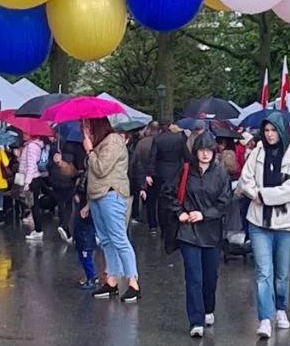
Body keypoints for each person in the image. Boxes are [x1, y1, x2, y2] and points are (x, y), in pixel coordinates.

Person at [238, 112, 290, 340]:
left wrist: (263, 195)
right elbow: (245, 178)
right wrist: (253, 193)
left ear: (282, 130)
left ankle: (281, 308)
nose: (270, 134)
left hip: (285, 223)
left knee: (282, 272)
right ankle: (265, 318)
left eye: (274, 130)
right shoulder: (257, 151)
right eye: (266, 130)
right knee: (263, 271)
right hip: (259, 220)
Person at [165, 133, 231, 338]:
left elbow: (225, 203)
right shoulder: (184, 171)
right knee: (193, 276)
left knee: (210, 277)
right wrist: (180, 212)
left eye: (208, 151)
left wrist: (204, 214)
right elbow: (168, 193)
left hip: (211, 231)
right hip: (188, 232)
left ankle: (208, 308)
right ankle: (196, 320)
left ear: (214, 153)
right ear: (195, 152)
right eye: (201, 150)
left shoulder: (221, 175)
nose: (205, 154)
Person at [85, 117, 140, 301]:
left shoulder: (114, 141)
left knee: (119, 239)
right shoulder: (101, 142)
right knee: (106, 240)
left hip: (111, 194)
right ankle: (112, 280)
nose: (85, 130)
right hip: (97, 196)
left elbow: (101, 168)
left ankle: (133, 282)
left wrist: (90, 151)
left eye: (87, 125)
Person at [146, 119, 188, 236]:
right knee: (176, 197)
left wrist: (150, 173)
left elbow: (152, 157)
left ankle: (163, 227)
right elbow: (186, 156)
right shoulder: (180, 138)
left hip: (161, 172)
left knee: (162, 200)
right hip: (176, 171)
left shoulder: (158, 139)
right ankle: (174, 221)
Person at [46, 152, 79, 242]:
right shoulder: (69, 155)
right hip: (67, 185)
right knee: (68, 207)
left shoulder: (53, 157)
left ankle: (64, 227)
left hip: (58, 184)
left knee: (62, 206)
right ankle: (64, 227)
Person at [19, 134, 46, 240]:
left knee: (34, 205)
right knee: (34, 205)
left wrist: (27, 182)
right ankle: (38, 229)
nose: (23, 134)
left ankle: (38, 230)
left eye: (25, 133)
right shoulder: (33, 146)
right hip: (34, 178)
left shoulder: (31, 147)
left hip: (32, 179)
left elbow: (31, 165)